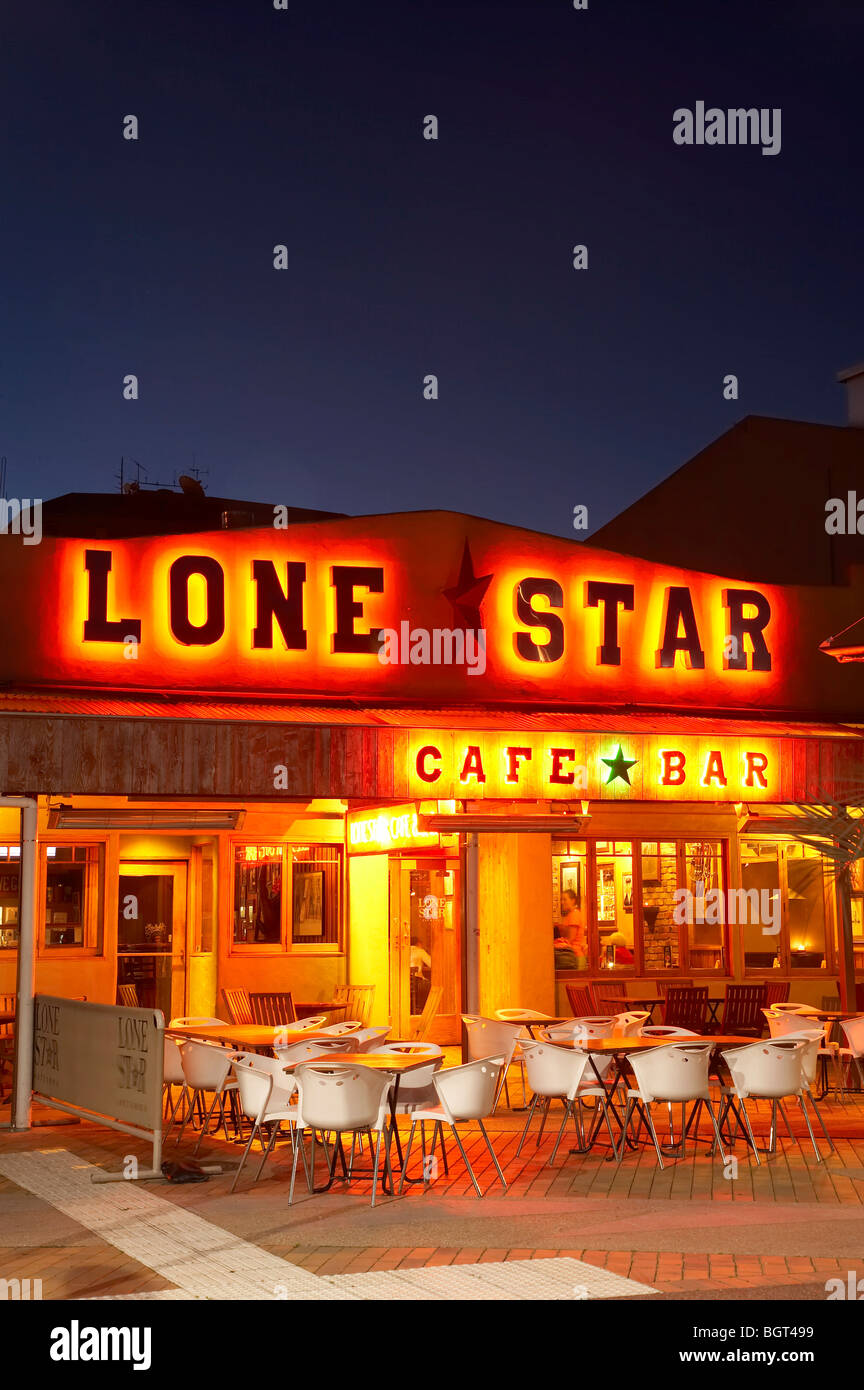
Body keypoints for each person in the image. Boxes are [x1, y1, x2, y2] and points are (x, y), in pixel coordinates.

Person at [559, 889, 588, 968]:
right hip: (573, 955)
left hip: (575, 956)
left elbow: (571, 938)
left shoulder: (574, 915)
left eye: (565, 899)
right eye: (561, 899)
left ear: (573, 901)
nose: (562, 902)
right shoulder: (571, 914)